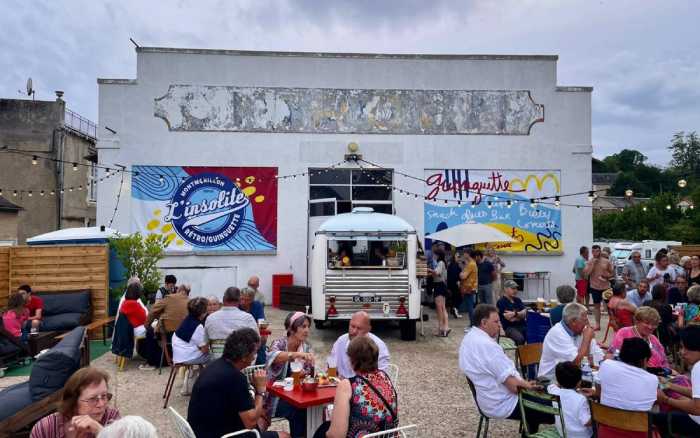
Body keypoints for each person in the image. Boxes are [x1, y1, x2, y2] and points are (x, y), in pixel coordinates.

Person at [459, 304, 552, 433]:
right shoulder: (487, 346)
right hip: (504, 402)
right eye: (496, 322)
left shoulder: (469, 338)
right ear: (484, 323)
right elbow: (514, 387)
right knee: (558, 408)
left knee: (546, 390)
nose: (499, 325)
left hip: (487, 399)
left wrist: (527, 384)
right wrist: (529, 386)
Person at [188, 328, 289, 438]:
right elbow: (250, 423)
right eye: (254, 352)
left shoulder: (214, 366)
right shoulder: (235, 378)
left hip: (200, 431)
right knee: (284, 435)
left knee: (262, 419)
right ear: (244, 357)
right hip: (221, 435)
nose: (255, 357)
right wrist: (260, 390)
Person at [313, 336, 398, 438]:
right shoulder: (385, 377)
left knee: (321, 431)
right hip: (388, 436)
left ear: (352, 361)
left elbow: (336, 435)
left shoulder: (348, 385)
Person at [263, 312, 315, 436]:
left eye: (308, 326)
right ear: (292, 328)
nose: (307, 330)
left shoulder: (306, 347)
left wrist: (306, 373)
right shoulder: (279, 343)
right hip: (275, 397)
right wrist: (297, 355)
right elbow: (273, 356)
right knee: (298, 410)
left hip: (296, 394)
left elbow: (309, 374)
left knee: (311, 408)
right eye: (303, 326)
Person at [30, 367, 121, 438]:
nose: (101, 405)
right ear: (73, 401)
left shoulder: (111, 419)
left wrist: (101, 432)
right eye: (92, 399)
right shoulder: (46, 428)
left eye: (104, 396)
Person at [654, 325, 700, 436]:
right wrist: (669, 385)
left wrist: (666, 399)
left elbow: (697, 408)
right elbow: (696, 393)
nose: (682, 352)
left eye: (686, 348)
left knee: (653, 418)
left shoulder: (698, 367)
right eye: (681, 347)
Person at [538, 303, 604, 380]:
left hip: (570, 377)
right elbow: (573, 363)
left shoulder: (581, 330)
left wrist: (589, 341)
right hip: (551, 379)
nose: (587, 324)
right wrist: (586, 339)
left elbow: (596, 355)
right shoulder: (557, 333)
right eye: (584, 320)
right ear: (573, 322)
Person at [598, 338, 657, 412]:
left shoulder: (607, 364)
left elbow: (599, 389)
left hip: (604, 420)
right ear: (645, 360)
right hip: (638, 422)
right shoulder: (653, 379)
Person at [329, 311, 390, 379]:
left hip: (366, 386)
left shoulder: (379, 346)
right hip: (342, 384)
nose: (354, 331)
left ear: (368, 329)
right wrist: (331, 378)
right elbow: (331, 363)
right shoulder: (341, 341)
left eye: (359, 328)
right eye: (352, 326)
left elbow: (381, 377)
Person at [608, 306, 670, 371]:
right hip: (632, 373)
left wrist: (667, 371)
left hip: (658, 374)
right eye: (647, 323)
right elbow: (612, 354)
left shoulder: (653, 339)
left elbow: (664, 361)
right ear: (637, 321)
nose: (650, 327)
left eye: (654, 324)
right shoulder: (624, 333)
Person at [547, 361, 593, 438]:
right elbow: (587, 422)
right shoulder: (581, 399)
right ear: (579, 382)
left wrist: (562, 382)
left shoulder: (554, 392)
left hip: (562, 432)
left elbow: (551, 386)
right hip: (581, 436)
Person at [583, 245, 614, 330]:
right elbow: (586, 274)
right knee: (596, 306)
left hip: (606, 287)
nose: (595, 253)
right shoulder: (589, 262)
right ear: (592, 252)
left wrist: (607, 276)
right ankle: (597, 324)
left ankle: (613, 322)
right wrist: (593, 264)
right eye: (594, 251)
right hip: (595, 287)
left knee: (610, 306)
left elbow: (612, 273)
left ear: (600, 251)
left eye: (597, 251)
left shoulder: (606, 261)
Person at [172, 297, 210, 366]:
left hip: (178, 356)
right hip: (188, 357)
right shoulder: (197, 326)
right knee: (215, 357)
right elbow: (205, 350)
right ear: (202, 312)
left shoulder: (187, 320)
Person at [240, 287, 267, 365]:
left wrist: (263, 333)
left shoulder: (257, 305)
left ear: (252, 299)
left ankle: (261, 365)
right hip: (241, 334)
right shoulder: (237, 306)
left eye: (246, 300)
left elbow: (262, 321)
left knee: (261, 346)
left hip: (254, 334)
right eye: (242, 299)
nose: (243, 302)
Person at [496, 280, 527, 345]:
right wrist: (520, 315)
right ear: (505, 289)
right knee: (520, 339)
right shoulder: (501, 302)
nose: (515, 290)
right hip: (509, 327)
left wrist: (515, 314)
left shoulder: (517, 300)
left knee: (532, 336)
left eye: (516, 288)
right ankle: (519, 354)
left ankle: (525, 354)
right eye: (513, 288)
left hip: (522, 325)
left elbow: (525, 313)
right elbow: (510, 319)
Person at [428, 249, 450, 336]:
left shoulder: (440, 263)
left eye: (435, 254)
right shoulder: (441, 263)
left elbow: (437, 272)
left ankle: (442, 328)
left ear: (438, 255)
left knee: (439, 308)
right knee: (443, 308)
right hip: (441, 285)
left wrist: (428, 269)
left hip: (439, 286)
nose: (434, 256)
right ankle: (445, 328)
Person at [458, 249, 478, 325]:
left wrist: (461, 273)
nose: (463, 255)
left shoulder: (471, 264)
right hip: (469, 287)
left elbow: (463, 276)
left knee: (470, 308)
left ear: (468, 254)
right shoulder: (471, 263)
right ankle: (472, 324)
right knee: (470, 306)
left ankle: (473, 325)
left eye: (464, 253)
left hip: (469, 288)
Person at [447, 250, 463, 319]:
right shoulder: (454, 265)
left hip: (452, 284)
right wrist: (458, 281)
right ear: (454, 257)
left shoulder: (453, 264)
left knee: (455, 298)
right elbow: (454, 275)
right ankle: (455, 310)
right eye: (458, 256)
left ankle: (453, 310)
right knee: (458, 298)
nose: (459, 258)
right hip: (455, 284)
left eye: (459, 257)